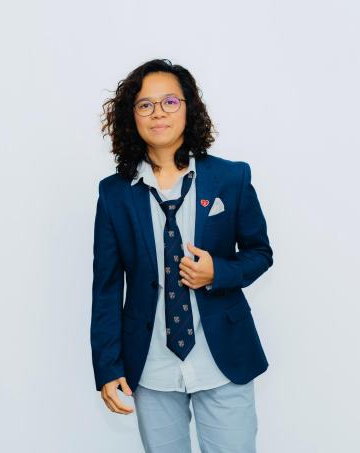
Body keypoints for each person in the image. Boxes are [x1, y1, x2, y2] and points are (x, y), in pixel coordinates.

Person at [91, 58, 274, 453]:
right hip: (150, 365)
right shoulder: (114, 194)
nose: (158, 112)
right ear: (131, 117)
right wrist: (107, 366)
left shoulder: (231, 177)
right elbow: (106, 288)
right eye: (145, 104)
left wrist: (217, 272)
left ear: (188, 108)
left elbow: (260, 253)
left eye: (170, 101)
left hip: (223, 360)